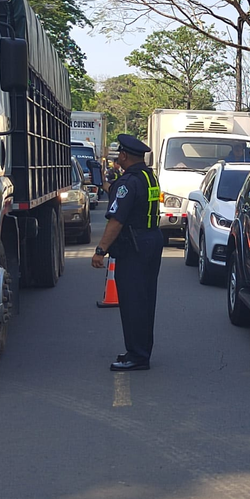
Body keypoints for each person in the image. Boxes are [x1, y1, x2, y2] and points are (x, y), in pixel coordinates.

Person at [92, 134, 164, 371]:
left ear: (124, 155)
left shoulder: (127, 183)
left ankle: (138, 356)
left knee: (133, 301)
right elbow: (130, 198)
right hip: (151, 240)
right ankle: (139, 350)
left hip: (134, 246)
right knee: (145, 299)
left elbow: (116, 220)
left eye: (118, 155)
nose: (117, 160)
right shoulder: (147, 176)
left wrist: (100, 250)